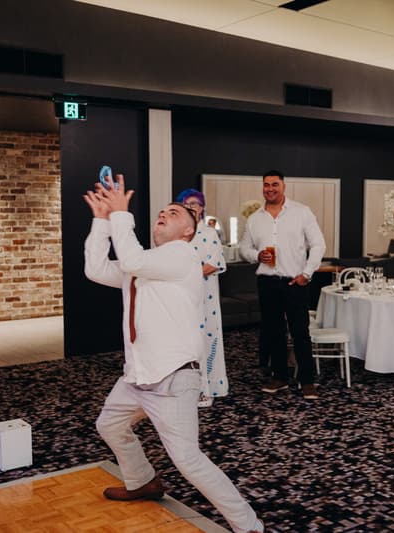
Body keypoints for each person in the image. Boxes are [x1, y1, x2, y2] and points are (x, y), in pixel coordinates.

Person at [83, 174, 263, 533]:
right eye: (161, 211)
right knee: (110, 425)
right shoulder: (146, 263)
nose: (164, 214)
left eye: (175, 212)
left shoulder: (183, 255)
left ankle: (248, 526)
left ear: (188, 232)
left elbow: (131, 260)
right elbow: (95, 269)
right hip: (137, 377)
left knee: (188, 460)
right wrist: (101, 221)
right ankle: (142, 481)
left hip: (173, 377)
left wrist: (120, 215)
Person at [239, 170, 326, 400]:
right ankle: (280, 377)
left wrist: (307, 273)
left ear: (284, 186)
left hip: (295, 282)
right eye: (266, 185)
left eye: (275, 184)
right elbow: (243, 248)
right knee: (273, 332)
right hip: (267, 283)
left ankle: (307, 380)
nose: (270, 189)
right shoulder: (255, 218)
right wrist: (257, 255)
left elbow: (318, 244)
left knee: (300, 332)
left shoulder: (301, 212)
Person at [176, 188, 228, 407]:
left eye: (196, 203)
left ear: (202, 208)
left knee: (205, 342)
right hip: (180, 297)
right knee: (183, 343)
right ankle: (184, 389)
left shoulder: (209, 232)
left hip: (205, 297)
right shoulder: (177, 234)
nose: (192, 207)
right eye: (187, 204)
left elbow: (213, 264)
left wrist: (184, 272)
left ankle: (206, 389)